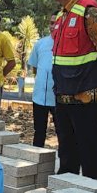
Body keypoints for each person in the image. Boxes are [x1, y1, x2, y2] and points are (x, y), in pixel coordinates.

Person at [47, 0, 97, 181]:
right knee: (67, 147)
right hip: (64, 93)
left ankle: (91, 191)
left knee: (89, 146)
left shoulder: (89, 10)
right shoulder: (61, 16)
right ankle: (67, 189)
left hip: (86, 93)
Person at [28, 12, 59, 147]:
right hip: (39, 97)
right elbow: (35, 67)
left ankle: (66, 164)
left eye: (56, 23)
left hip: (58, 97)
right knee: (39, 131)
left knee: (63, 131)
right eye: (51, 23)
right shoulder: (40, 44)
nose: (53, 26)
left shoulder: (67, 44)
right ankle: (36, 159)